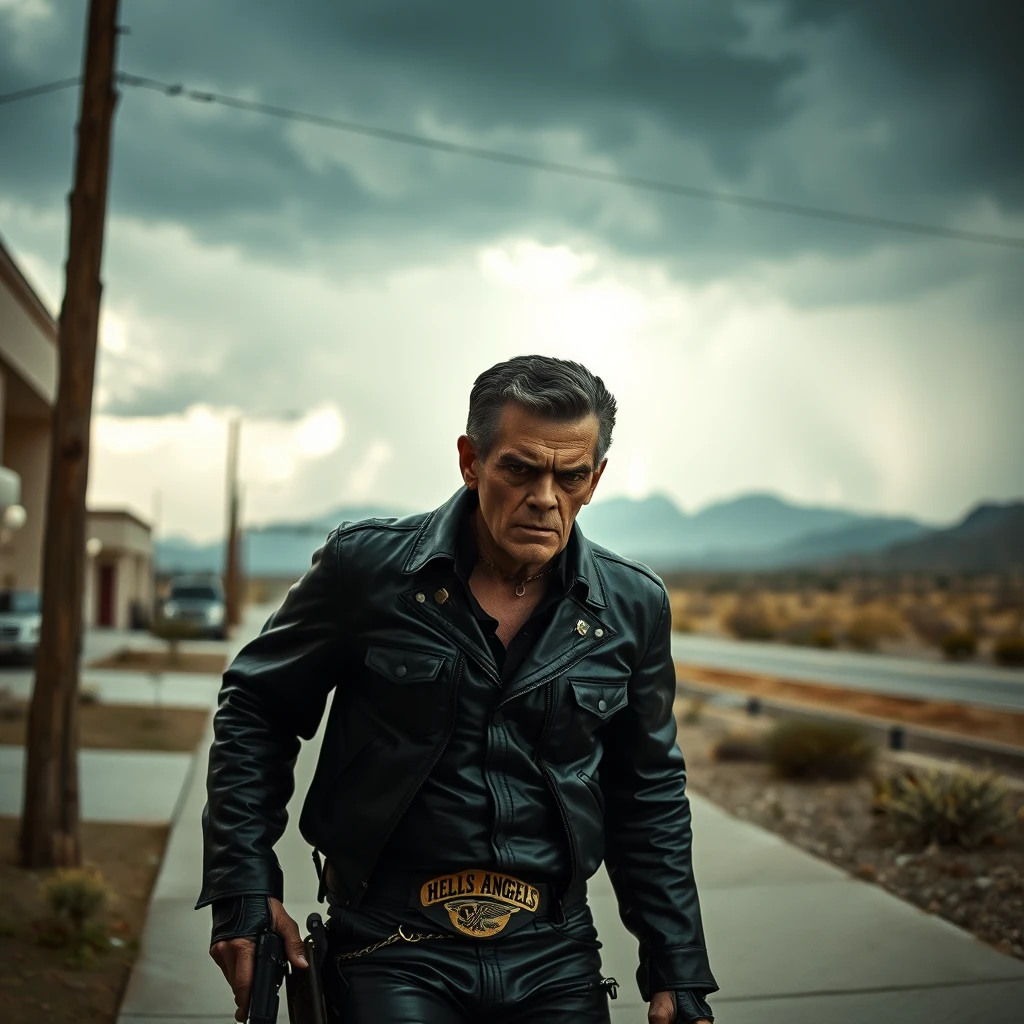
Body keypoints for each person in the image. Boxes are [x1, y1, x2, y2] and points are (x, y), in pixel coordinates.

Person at [199, 355, 717, 1023]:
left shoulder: (632, 605)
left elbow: (647, 791)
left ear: (596, 479)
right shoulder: (367, 568)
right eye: (520, 469)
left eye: (571, 476)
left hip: (553, 952)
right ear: (471, 460)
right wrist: (243, 885)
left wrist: (677, 966)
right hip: (390, 943)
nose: (545, 497)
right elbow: (257, 709)